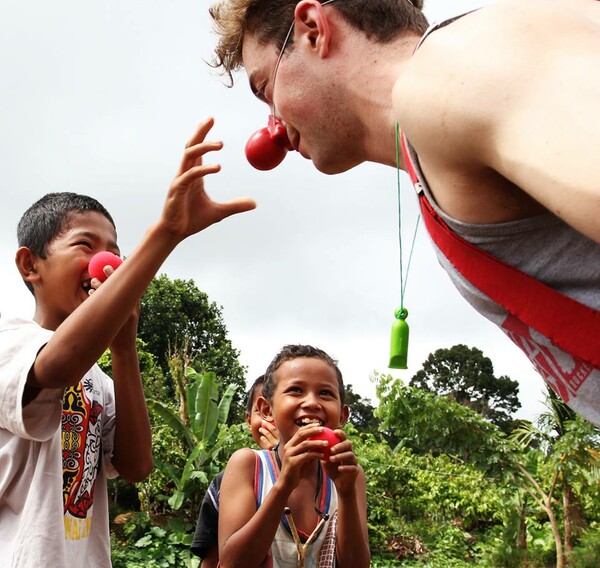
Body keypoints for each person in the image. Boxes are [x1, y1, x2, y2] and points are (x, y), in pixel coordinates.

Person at [208, 0, 600, 425]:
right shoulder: (461, 83)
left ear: (313, 30)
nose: (273, 129)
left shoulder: (450, 75)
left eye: (266, 89)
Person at [0, 117, 255, 567]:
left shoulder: (98, 377)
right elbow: (57, 367)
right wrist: (167, 232)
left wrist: (123, 347)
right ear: (30, 265)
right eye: (85, 244)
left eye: (115, 250)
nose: (106, 261)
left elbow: (136, 466)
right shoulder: (11, 342)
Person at [218, 344, 370, 567]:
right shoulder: (249, 465)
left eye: (325, 393)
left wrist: (346, 493)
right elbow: (232, 563)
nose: (311, 403)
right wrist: (284, 485)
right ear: (267, 409)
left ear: (343, 415)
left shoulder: (349, 476)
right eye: (296, 390)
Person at [191, 375, 280, 567]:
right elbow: (213, 557)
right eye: (264, 411)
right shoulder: (230, 478)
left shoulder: (330, 476)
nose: (273, 419)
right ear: (249, 420)